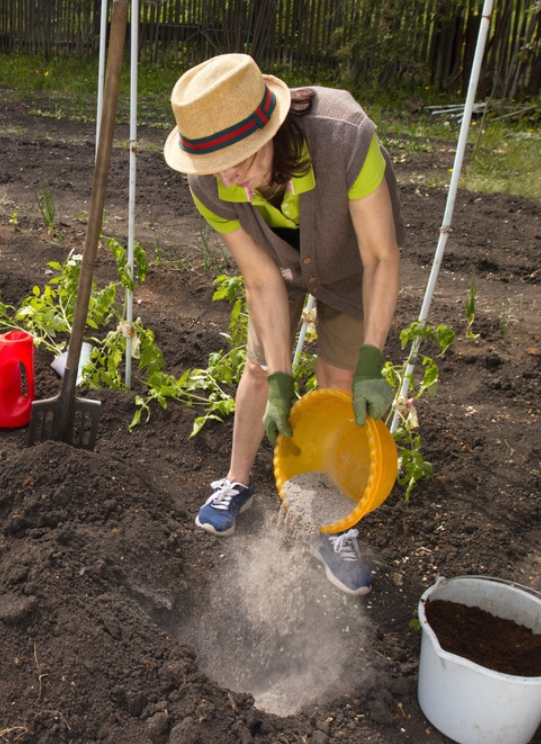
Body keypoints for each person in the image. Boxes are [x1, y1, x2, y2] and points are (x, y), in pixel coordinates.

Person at [163, 54, 404, 596]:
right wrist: (278, 378)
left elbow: (381, 258)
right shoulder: (210, 181)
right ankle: (236, 481)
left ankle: (332, 523)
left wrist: (372, 358)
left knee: (339, 386)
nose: (229, 178)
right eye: (214, 165)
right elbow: (262, 280)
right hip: (281, 263)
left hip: (349, 265)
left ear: (272, 130)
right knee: (257, 370)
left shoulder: (345, 140)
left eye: (239, 162)